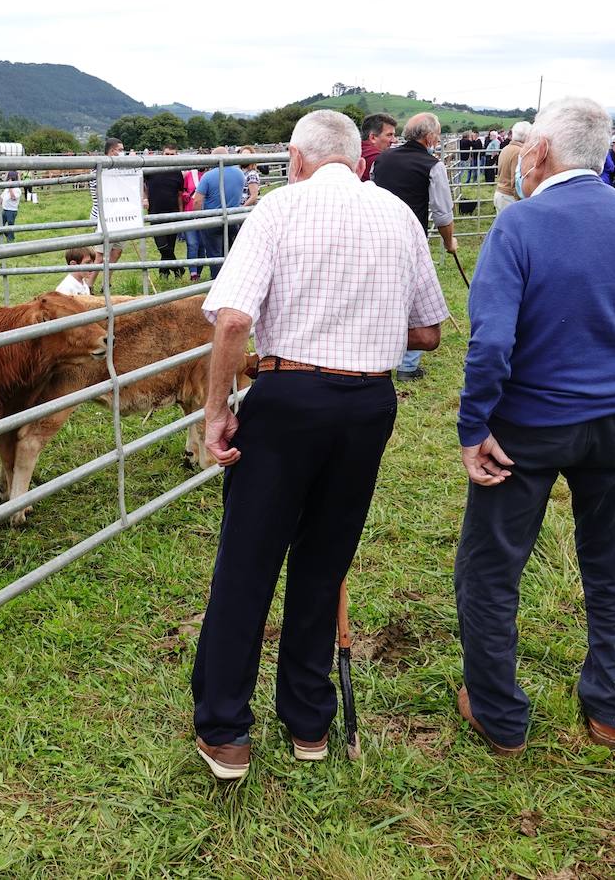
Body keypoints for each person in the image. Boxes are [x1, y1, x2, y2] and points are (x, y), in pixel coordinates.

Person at [191, 109, 449, 780]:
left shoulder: (278, 210)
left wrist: (217, 410)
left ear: (295, 159)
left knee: (248, 561)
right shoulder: (396, 215)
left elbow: (234, 321)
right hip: (367, 404)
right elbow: (428, 333)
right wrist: (363, 325)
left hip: (285, 401)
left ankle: (226, 732)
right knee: (324, 560)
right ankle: (309, 723)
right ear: (360, 161)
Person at [454, 97, 615, 758]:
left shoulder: (518, 228)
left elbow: (489, 345)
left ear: (538, 153)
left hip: (527, 426)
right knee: (607, 561)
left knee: (489, 570)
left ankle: (499, 714)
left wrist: (472, 424)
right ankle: (608, 711)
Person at [371, 112, 459, 381]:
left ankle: (377, 357)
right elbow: (442, 213)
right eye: (438, 134)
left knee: (380, 294)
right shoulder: (432, 165)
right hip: (409, 240)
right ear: (430, 137)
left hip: (375, 236)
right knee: (410, 299)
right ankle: (408, 366)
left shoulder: (382, 159)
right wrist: (449, 241)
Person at [191, 148, 246, 279]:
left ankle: (217, 281)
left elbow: (197, 201)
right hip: (233, 219)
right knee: (232, 253)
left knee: (214, 254)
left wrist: (197, 217)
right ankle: (234, 279)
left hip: (213, 220)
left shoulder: (208, 176)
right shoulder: (239, 174)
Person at [144, 146, 186, 275]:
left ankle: (164, 273)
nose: (169, 156)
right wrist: (144, 198)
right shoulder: (152, 169)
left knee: (170, 245)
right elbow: (142, 184)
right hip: (155, 212)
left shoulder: (177, 172)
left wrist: (180, 212)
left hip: (172, 212)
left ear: (176, 155)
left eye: (172, 154)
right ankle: (179, 268)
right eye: (167, 154)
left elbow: (179, 194)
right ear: (162, 154)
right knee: (162, 246)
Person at [90, 137, 126, 264]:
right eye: (120, 150)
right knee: (100, 254)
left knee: (116, 251)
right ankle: (89, 284)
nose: (123, 153)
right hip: (103, 215)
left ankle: (107, 283)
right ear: (112, 151)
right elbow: (99, 193)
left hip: (119, 215)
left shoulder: (118, 168)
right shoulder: (98, 168)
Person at [494, 121, 532, 213]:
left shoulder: (505, 148)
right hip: (509, 197)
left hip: (501, 193)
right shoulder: (519, 152)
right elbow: (515, 180)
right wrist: (520, 201)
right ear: (527, 136)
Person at [182, 164, 206, 278]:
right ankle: (193, 273)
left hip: (205, 215)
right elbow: (182, 191)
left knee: (202, 245)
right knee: (192, 244)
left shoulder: (208, 176)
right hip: (189, 214)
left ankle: (199, 271)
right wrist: (186, 196)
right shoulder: (189, 175)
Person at [359, 113, 398, 181]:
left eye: (394, 135)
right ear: (373, 137)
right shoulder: (380, 160)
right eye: (389, 135)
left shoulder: (352, 153)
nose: (394, 140)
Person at [0, 171, 21, 243]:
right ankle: (10, 236)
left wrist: (10, 188)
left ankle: (10, 240)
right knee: (1, 225)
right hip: (4, 210)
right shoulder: (6, 189)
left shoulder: (17, 190)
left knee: (10, 225)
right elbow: (2, 197)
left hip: (12, 210)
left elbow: (13, 198)